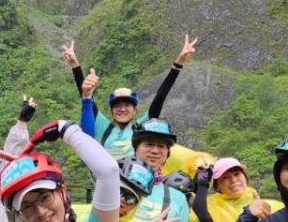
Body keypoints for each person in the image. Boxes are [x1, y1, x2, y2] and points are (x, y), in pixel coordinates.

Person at [62, 35, 197, 159]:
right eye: (117, 105)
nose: (122, 109)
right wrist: (75, 66)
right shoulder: (103, 127)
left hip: (134, 183)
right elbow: (86, 96)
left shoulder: (141, 128)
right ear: (112, 111)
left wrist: (179, 63)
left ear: (135, 111)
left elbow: (160, 97)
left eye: (127, 105)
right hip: (106, 185)